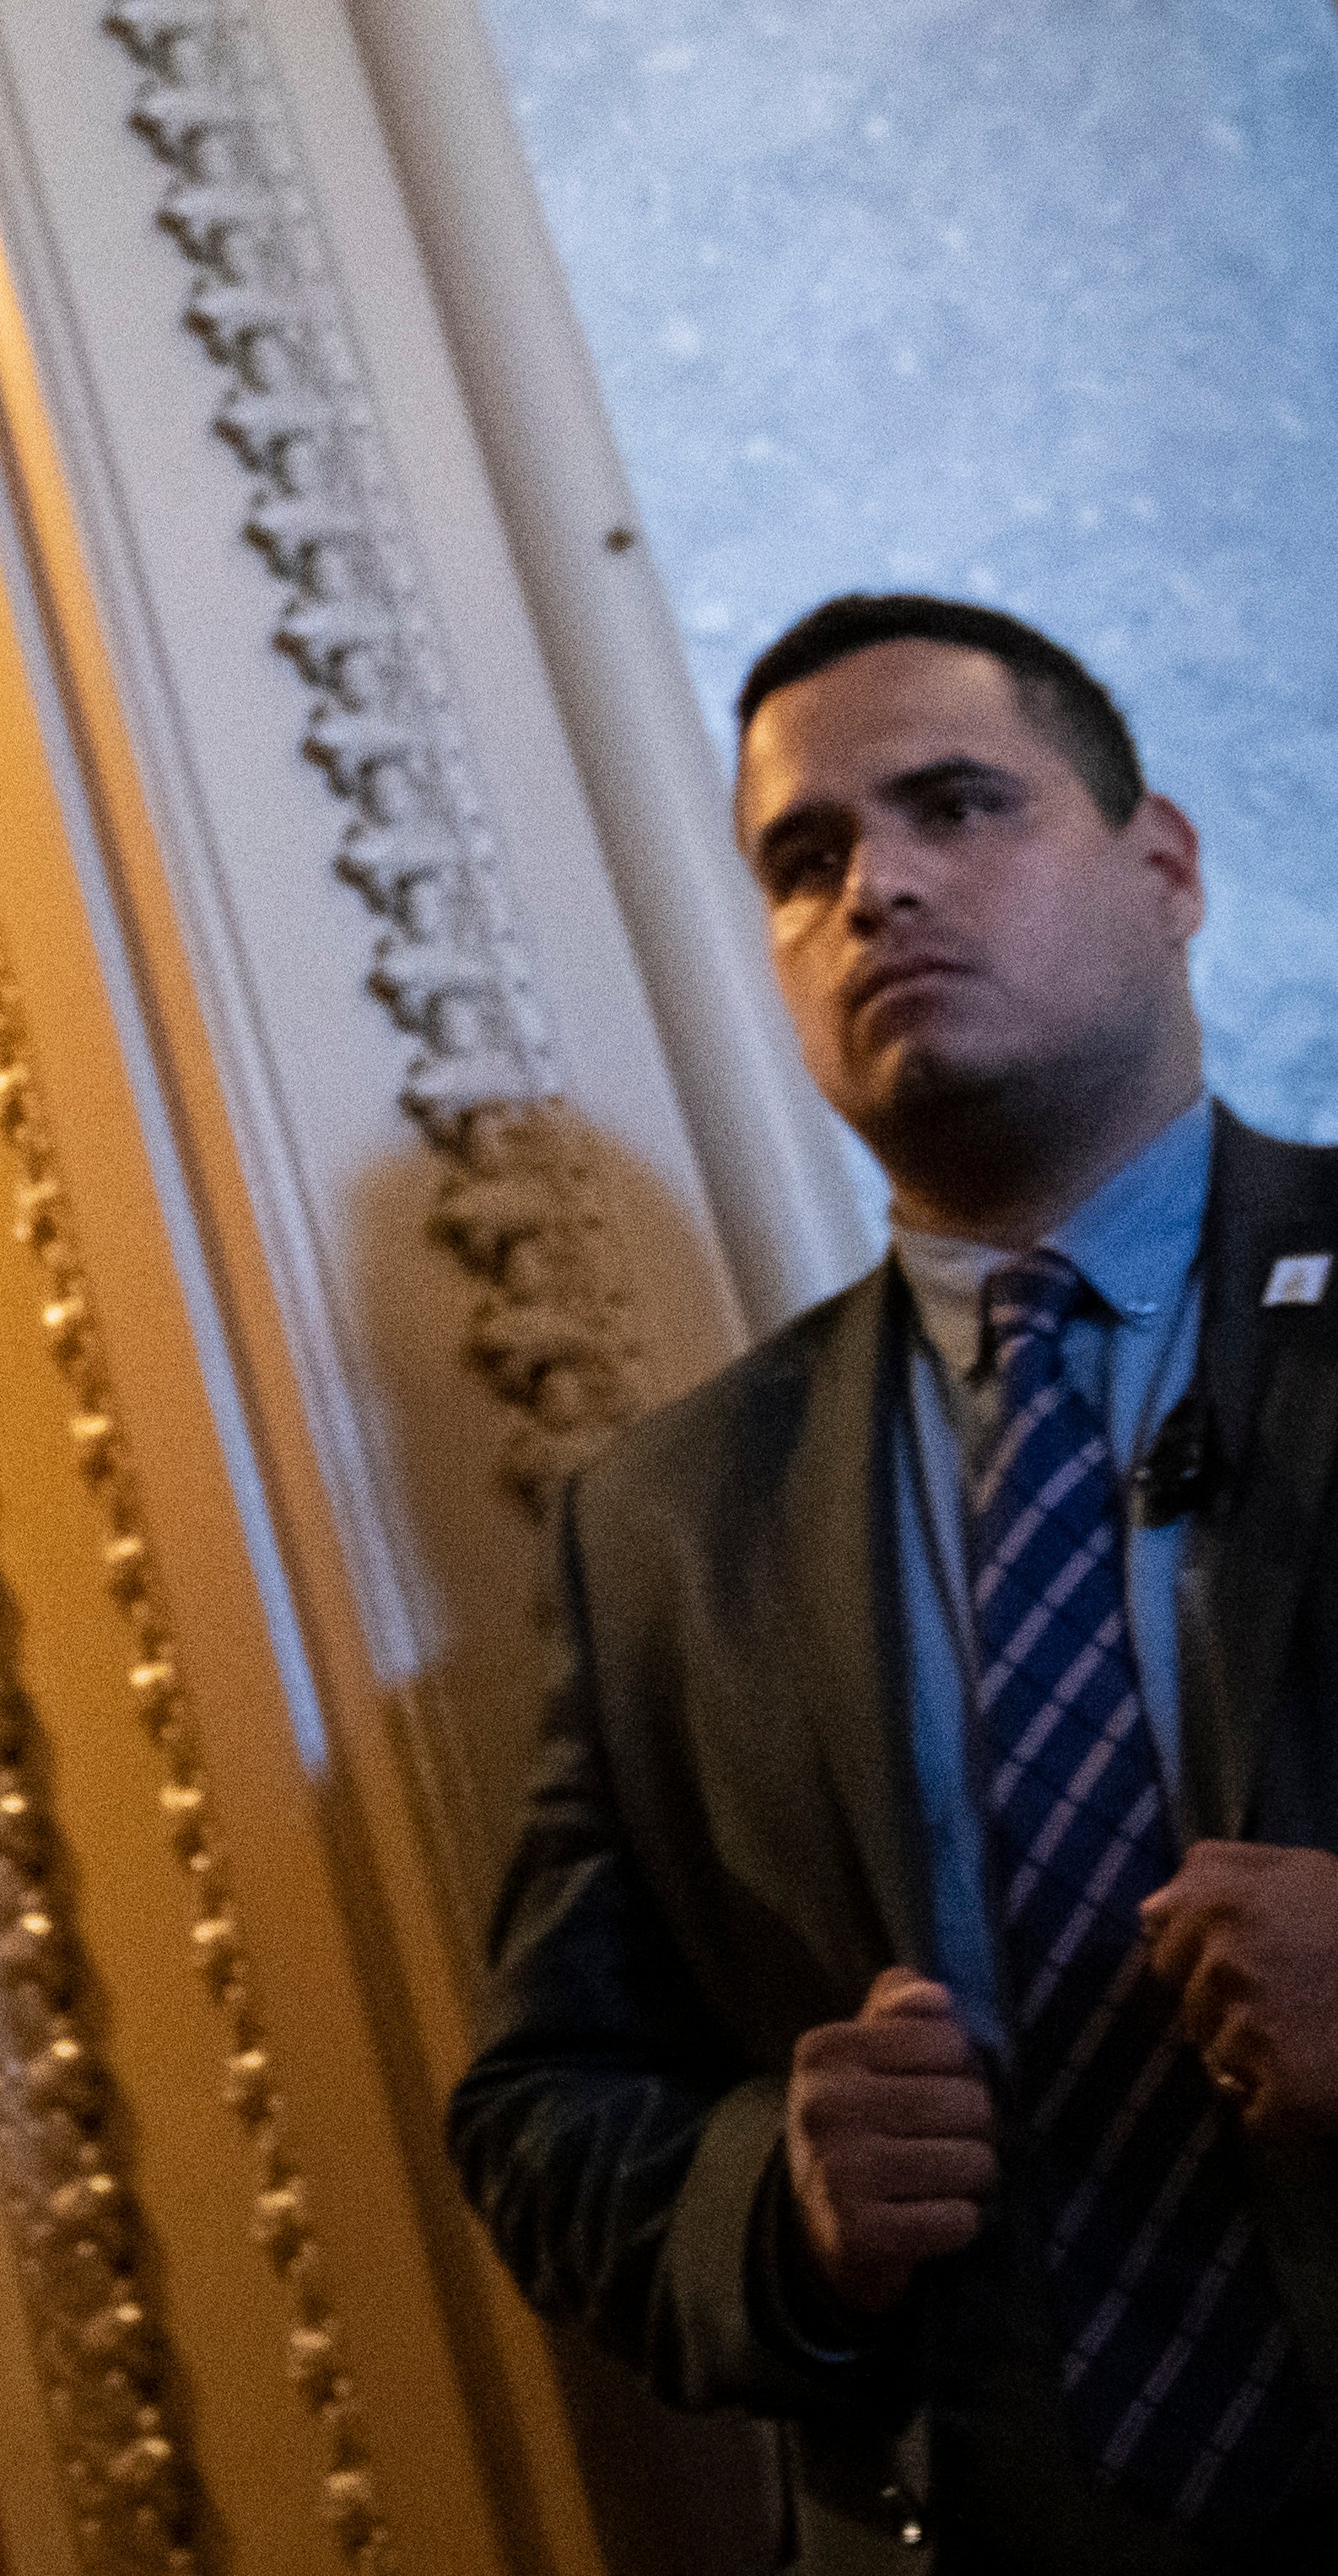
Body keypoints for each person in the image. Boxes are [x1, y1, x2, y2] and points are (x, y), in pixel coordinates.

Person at [456, 592, 1338, 2565]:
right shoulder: (664, 1521)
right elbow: (539, 2105)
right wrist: (773, 2204)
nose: (879, 889)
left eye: (958, 805)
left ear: (1165, 864)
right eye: (806, 859)